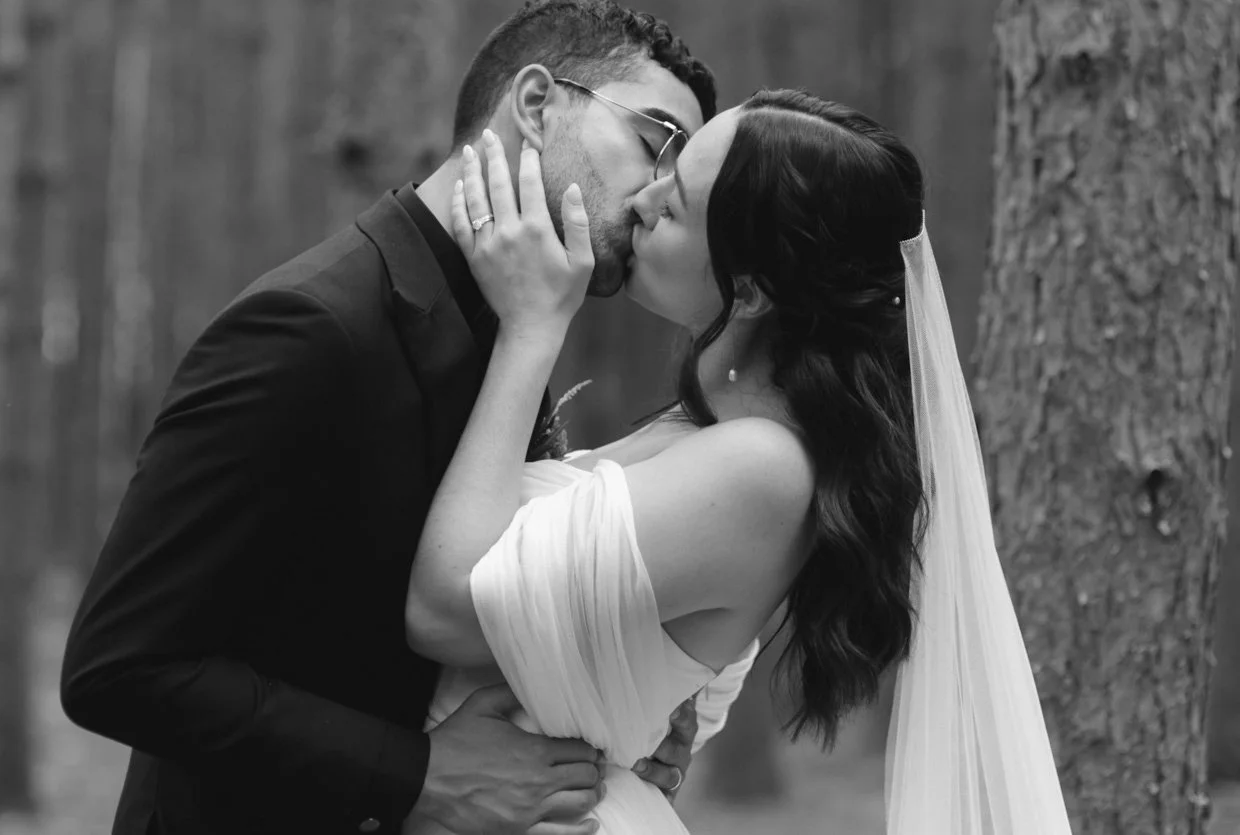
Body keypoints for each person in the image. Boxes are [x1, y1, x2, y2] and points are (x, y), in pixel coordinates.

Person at [59, 0, 719, 835]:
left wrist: (623, 711)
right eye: (656, 141)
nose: (661, 193)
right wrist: (414, 776)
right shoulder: (307, 328)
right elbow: (117, 665)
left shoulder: (515, 326)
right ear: (535, 102)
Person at [405, 88, 1074, 835]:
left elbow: (443, 609)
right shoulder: (712, 432)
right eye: (666, 163)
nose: (643, 198)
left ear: (749, 291)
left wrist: (530, 332)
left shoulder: (762, 470)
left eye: (677, 204)